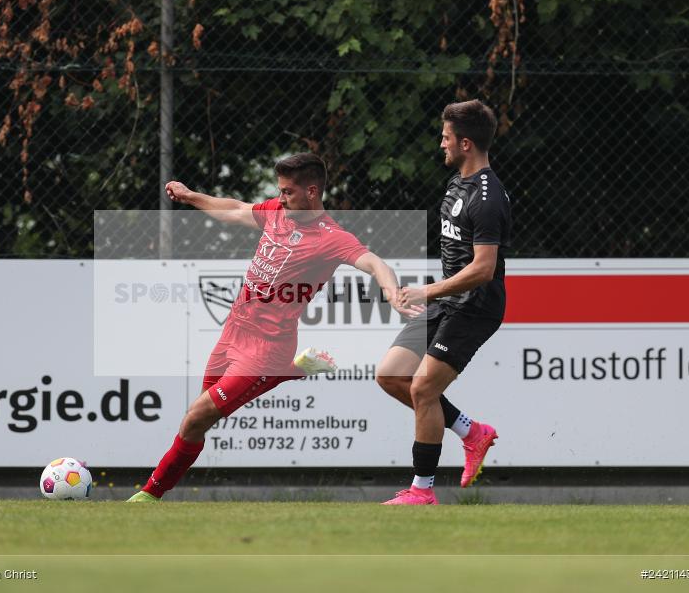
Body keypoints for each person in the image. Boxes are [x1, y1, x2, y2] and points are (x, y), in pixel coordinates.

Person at [127, 153, 418, 502]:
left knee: (196, 416)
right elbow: (235, 209)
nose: (280, 198)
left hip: (267, 348)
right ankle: (291, 371)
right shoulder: (278, 212)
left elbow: (374, 263)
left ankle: (148, 496)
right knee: (198, 420)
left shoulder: (331, 237)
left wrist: (392, 291)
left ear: (312, 192)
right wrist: (190, 196)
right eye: (279, 190)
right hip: (233, 333)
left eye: (288, 192)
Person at [376, 100, 511, 505]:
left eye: (446, 137)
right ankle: (472, 432)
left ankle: (422, 491)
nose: (441, 144)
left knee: (423, 388)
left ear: (465, 143)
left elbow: (484, 269)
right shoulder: (456, 184)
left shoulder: (488, 197)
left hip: (475, 306)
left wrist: (427, 291)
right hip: (449, 299)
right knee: (391, 375)